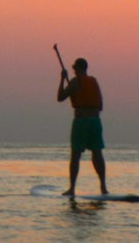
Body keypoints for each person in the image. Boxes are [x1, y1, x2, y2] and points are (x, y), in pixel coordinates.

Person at [57, 58, 108, 196]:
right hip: (96, 122)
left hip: (81, 122)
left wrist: (62, 79)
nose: (73, 70)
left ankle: (72, 188)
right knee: (97, 154)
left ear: (79, 68)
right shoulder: (94, 81)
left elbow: (60, 97)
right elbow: (101, 105)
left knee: (75, 155)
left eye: (74, 67)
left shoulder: (75, 82)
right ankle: (103, 187)